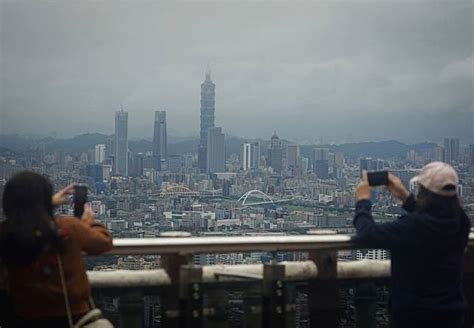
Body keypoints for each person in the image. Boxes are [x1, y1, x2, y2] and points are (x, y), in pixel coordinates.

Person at [353, 162, 471, 328]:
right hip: (452, 315)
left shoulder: (413, 227)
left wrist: (363, 201)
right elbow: (433, 216)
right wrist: (405, 197)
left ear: (424, 192)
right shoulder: (461, 221)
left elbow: (367, 234)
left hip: (413, 316)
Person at [0, 171, 113, 327]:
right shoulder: (68, 227)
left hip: (23, 317)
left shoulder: (5, 232)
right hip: (72, 316)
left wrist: (45, 205)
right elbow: (104, 242)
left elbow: (27, 217)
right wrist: (88, 223)